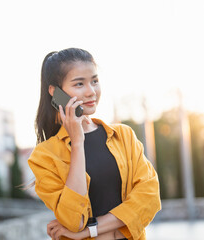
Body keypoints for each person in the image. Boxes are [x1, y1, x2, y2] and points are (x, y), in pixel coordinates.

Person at [28, 48, 161, 240]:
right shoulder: (44, 156)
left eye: (95, 81)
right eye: (79, 84)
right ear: (55, 93)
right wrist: (77, 143)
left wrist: (89, 230)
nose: (91, 92)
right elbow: (74, 221)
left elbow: (149, 198)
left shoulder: (124, 136)